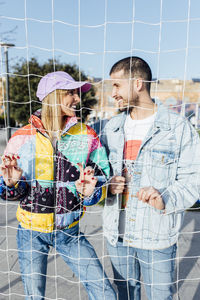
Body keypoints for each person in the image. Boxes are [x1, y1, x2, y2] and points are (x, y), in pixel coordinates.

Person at [0, 71, 116, 300]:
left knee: (106, 294)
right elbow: (8, 191)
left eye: (77, 93)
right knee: (35, 297)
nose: (78, 99)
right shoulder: (22, 138)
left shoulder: (87, 135)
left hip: (70, 233)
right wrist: (11, 184)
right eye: (71, 93)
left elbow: (102, 179)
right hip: (30, 233)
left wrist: (91, 192)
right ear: (53, 96)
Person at [101, 57, 200, 300]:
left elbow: (193, 179)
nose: (112, 93)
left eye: (116, 85)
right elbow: (98, 172)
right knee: (124, 294)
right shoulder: (111, 128)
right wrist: (106, 185)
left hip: (156, 237)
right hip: (117, 235)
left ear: (137, 83)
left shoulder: (177, 128)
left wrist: (165, 197)